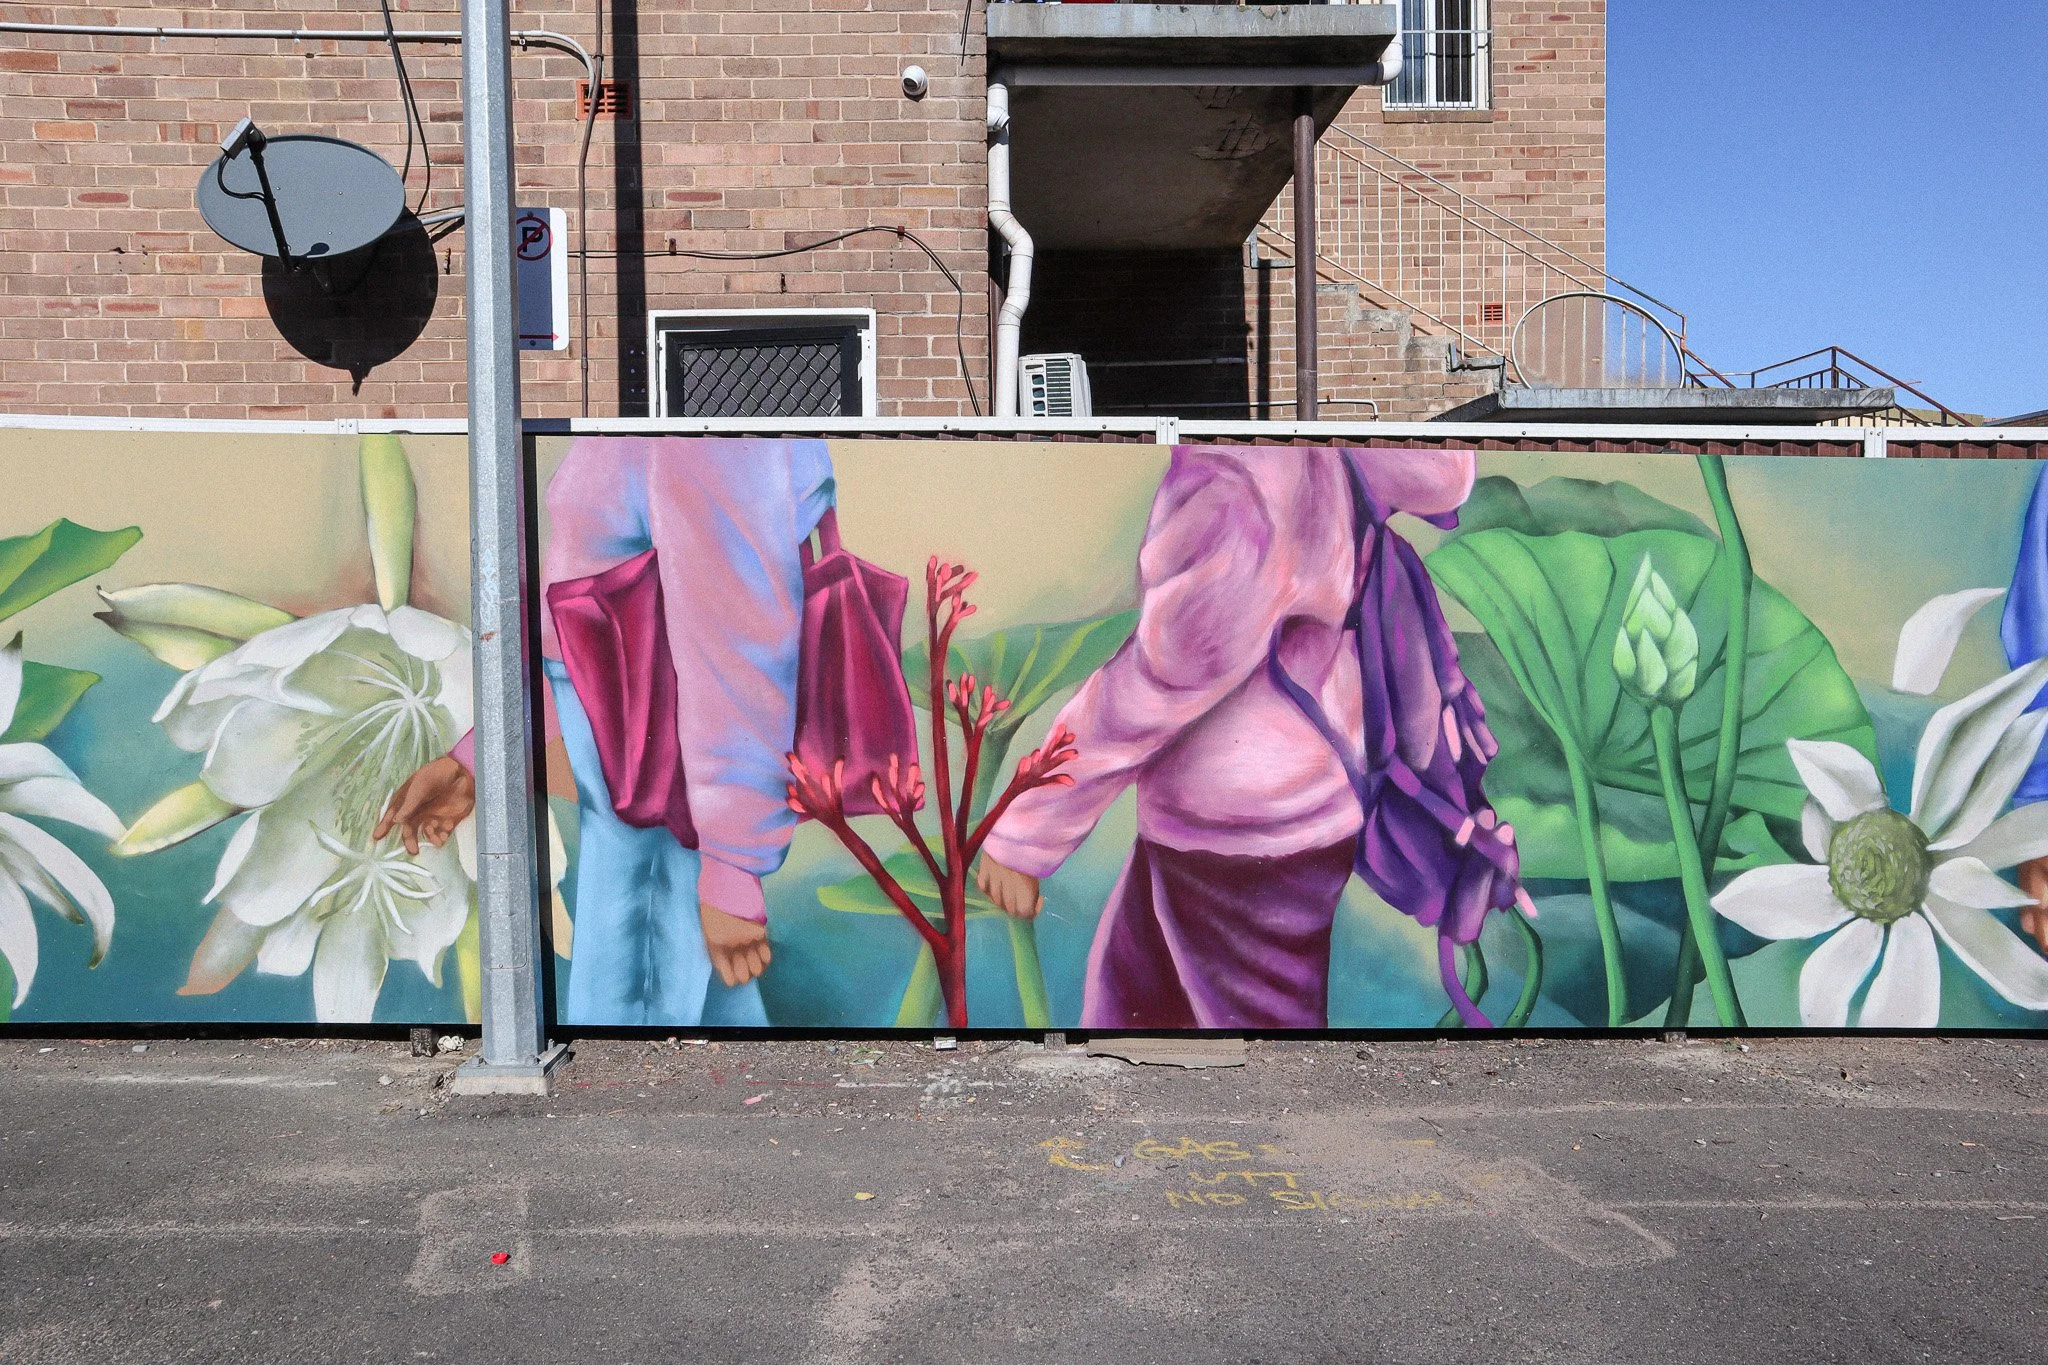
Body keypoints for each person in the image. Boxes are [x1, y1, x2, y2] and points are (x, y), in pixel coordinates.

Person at [975, 444, 1488, 1029]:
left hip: (1238, 843)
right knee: (1133, 1022)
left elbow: (1162, 679)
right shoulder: (1309, 462)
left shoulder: (1242, 487)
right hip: (1279, 814)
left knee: (1262, 1074)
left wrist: (1029, 828)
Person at [377, 435, 834, 1026]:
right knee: (693, 1012)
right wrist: (483, 758)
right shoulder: (667, 434)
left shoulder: (700, 439)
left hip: (660, 769)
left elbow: (736, 643)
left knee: (631, 1033)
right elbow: (580, 612)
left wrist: (733, 863)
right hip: (643, 757)